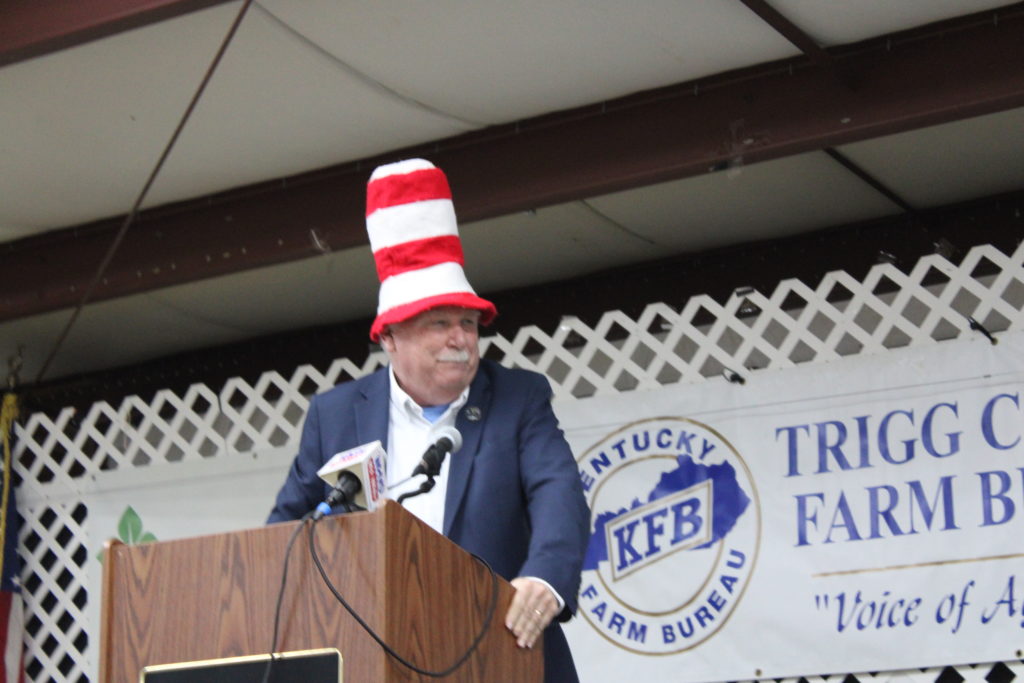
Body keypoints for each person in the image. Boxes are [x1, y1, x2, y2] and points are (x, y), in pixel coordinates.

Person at [267, 158, 591, 682]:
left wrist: (545, 579)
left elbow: (559, 493)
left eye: (469, 322)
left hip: (502, 655)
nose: (460, 338)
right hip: (372, 658)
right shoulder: (335, 415)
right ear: (389, 338)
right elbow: (284, 534)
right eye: (440, 323)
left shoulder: (518, 397)